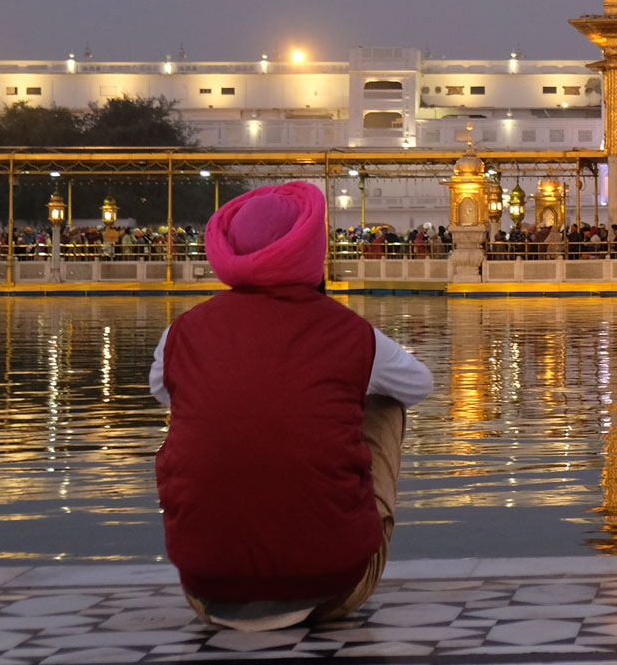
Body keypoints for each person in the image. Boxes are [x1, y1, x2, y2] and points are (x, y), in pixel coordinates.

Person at [149, 182, 431, 632]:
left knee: (192, 398)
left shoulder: (182, 334)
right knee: (387, 403)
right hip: (337, 586)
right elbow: (418, 385)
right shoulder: (350, 332)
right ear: (310, 250)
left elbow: (159, 391)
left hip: (208, 592)